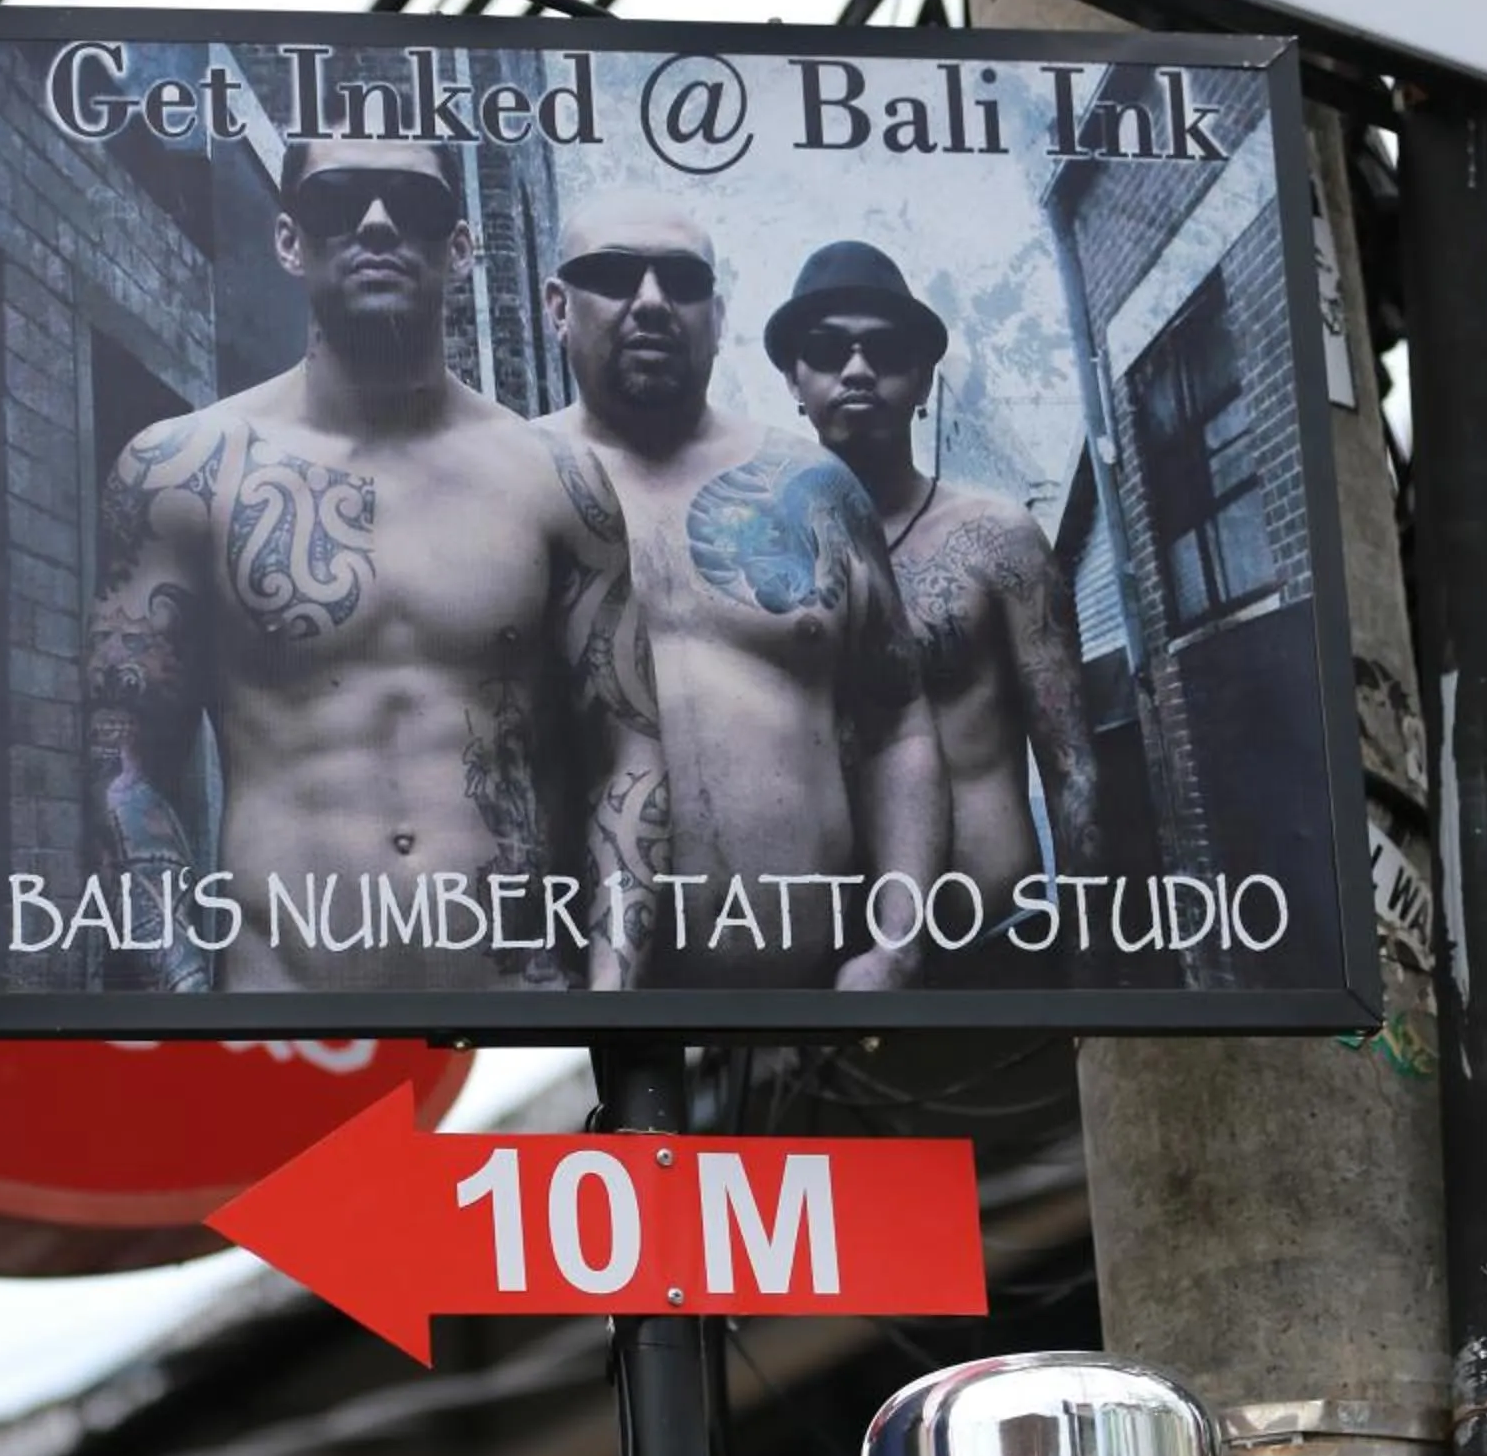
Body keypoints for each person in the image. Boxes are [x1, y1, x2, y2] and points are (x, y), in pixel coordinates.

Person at [83, 138, 668, 996]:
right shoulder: (185, 470)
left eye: (414, 203)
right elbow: (120, 758)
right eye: (339, 200)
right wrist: (187, 1001)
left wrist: (612, 999)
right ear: (290, 240)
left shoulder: (556, 482)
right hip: (275, 1023)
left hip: (511, 1020)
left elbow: (630, 753)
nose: (379, 223)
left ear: (460, 248)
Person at [540, 194, 946, 992]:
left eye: (683, 281)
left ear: (717, 314)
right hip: (578, 1023)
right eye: (616, 275)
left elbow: (898, 722)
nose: (652, 301)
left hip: (814, 1010)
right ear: (559, 306)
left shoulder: (813, 487)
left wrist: (899, 944)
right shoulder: (511, 486)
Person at [768, 241, 1096, 967]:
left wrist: (1092, 967)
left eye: (883, 350)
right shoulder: (767, 564)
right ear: (794, 378)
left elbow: (1074, 765)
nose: (856, 369)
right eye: (826, 349)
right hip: (838, 975)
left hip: (1000, 950)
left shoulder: (996, 539)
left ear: (921, 378)